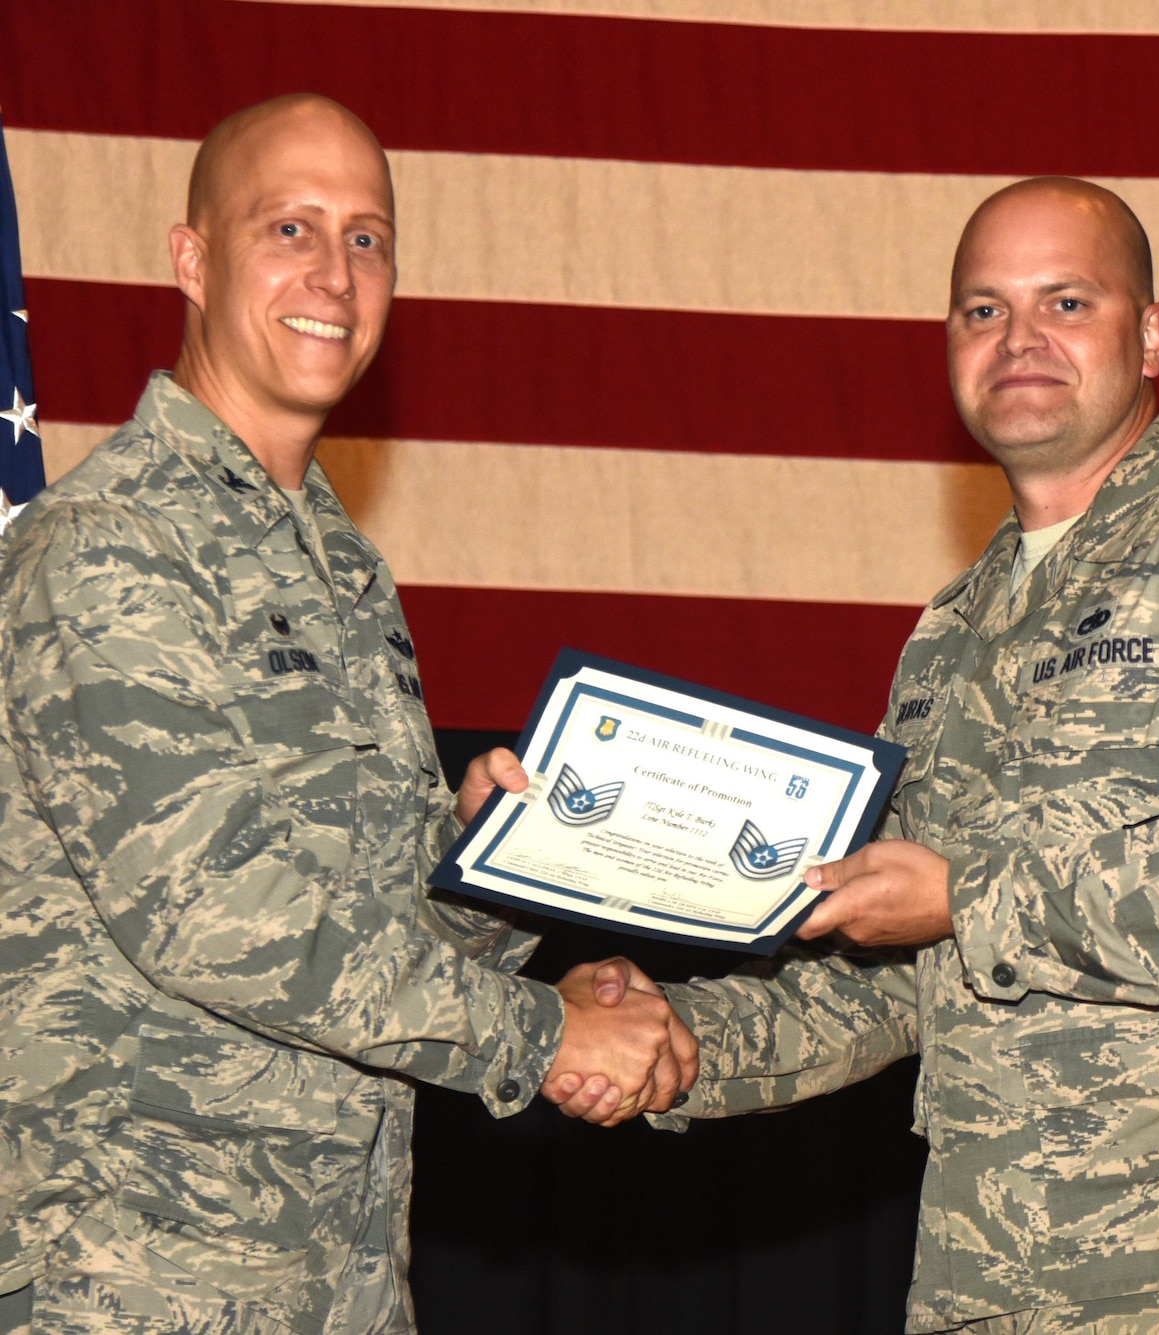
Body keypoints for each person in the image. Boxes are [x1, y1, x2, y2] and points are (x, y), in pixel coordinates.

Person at [580, 176, 1159, 1330]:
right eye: (982, 310)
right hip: (991, 1277)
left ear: (1152, 335)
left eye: (1065, 302)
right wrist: (674, 1043)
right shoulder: (952, 631)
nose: (1019, 339)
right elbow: (897, 973)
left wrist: (972, 897)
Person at [0, 94, 692, 1335]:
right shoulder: (110, 548)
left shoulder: (338, 567)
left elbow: (366, 924)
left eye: (367, 237)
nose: (335, 272)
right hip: (132, 1274)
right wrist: (540, 1037)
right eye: (291, 228)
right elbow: (211, 912)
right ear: (193, 260)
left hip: (336, 1266)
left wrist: (484, 871)